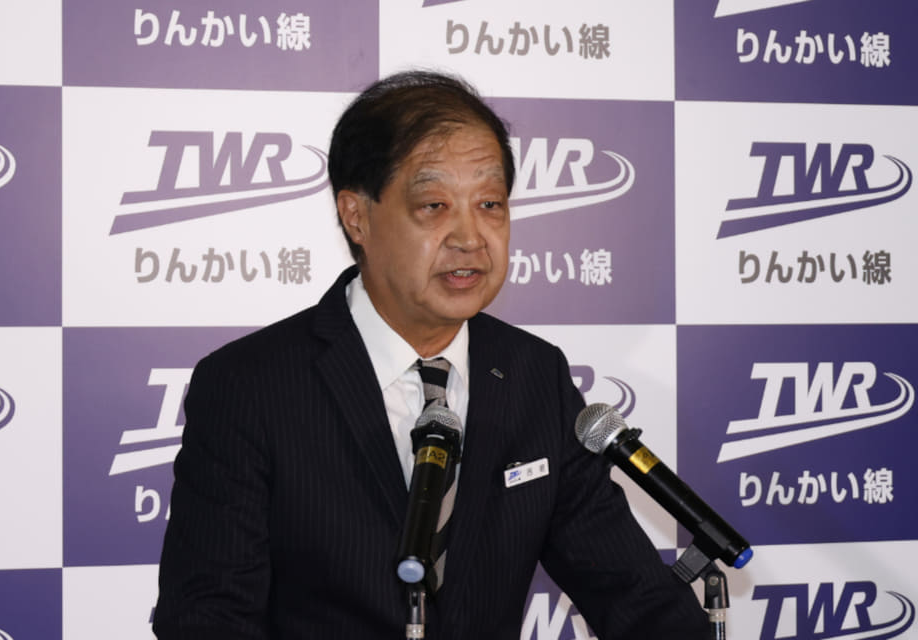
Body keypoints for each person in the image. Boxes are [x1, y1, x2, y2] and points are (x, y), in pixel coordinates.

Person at [153, 70, 708, 639]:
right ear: (357, 216)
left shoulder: (534, 376)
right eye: (434, 205)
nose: (470, 237)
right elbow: (207, 620)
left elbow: (635, 596)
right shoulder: (250, 386)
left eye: (490, 203)